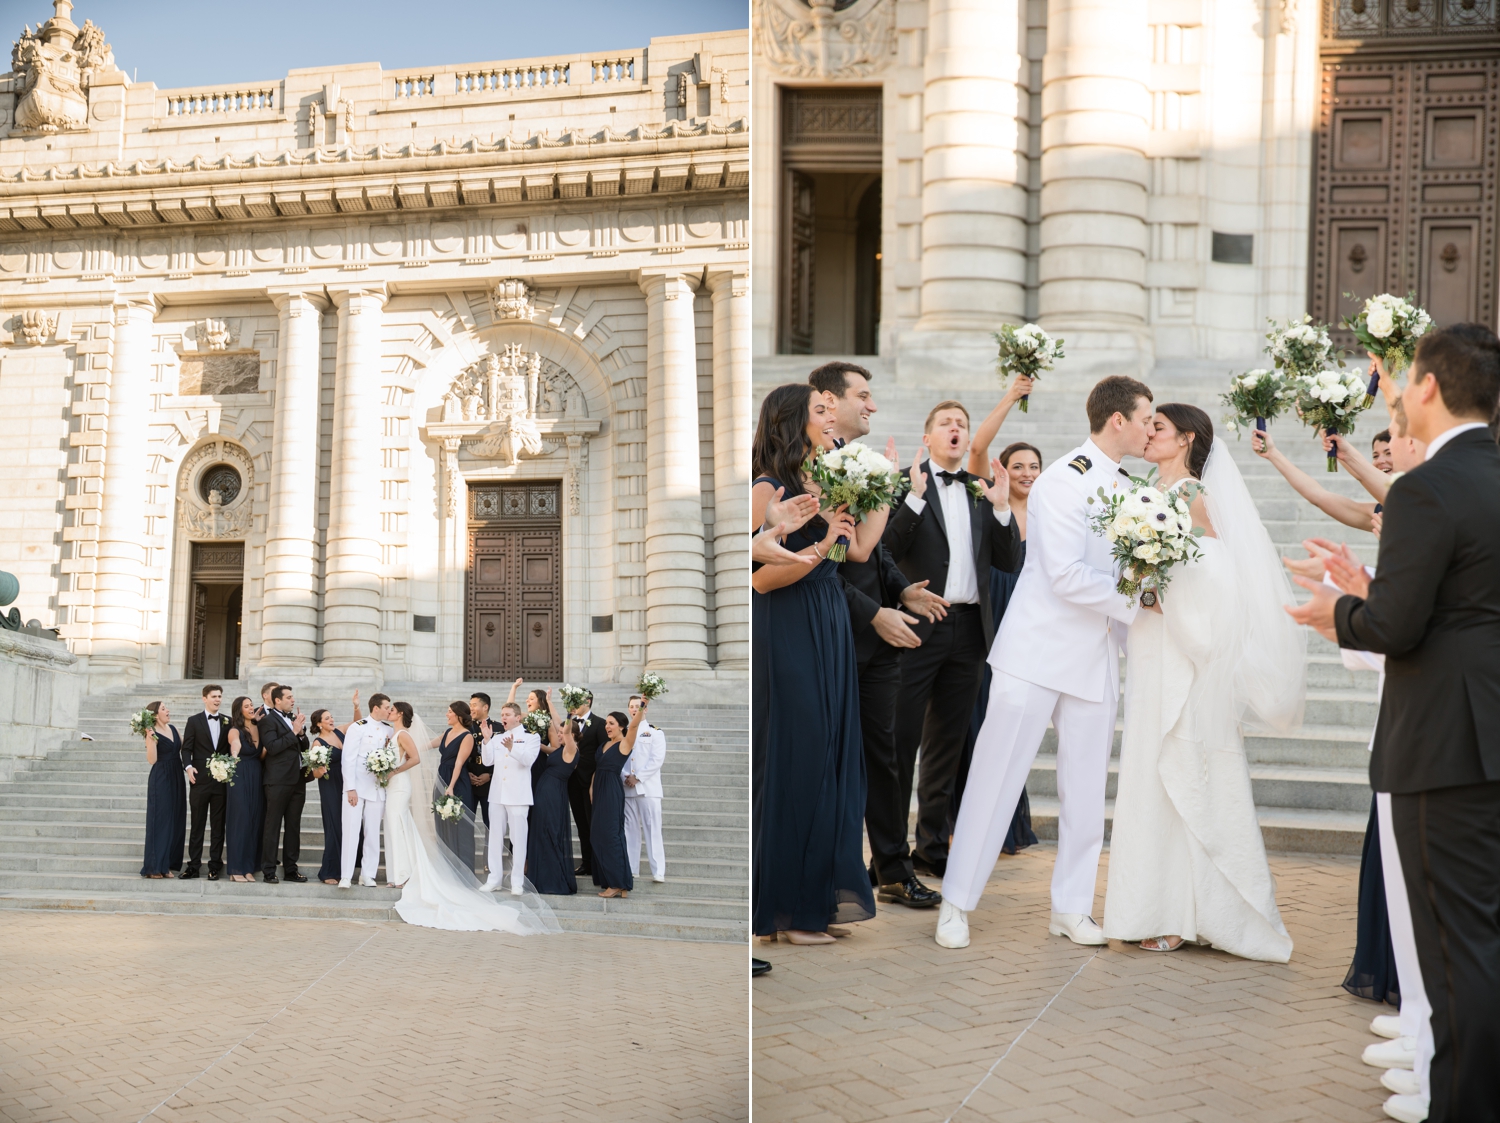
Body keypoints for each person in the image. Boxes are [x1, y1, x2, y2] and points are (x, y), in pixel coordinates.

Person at [1287, 324, 1500, 1123]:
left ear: (1433, 390)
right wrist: (1368, 583)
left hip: (1443, 746)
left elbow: (1397, 628)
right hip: (1488, 730)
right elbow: (1465, 602)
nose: (1400, 390)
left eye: (1407, 378)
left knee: (1455, 954)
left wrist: (1337, 611)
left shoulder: (1424, 488)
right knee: (1482, 938)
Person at [937, 376, 1152, 951]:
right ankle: (955, 903)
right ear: (1116, 421)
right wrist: (1135, 595)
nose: (1150, 428)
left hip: (1094, 658)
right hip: (1036, 651)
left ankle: (1072, 909)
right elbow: (1063, 575)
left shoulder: (1129, 484)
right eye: (1144, 418)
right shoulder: (1064, 479)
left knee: (1085, 794)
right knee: (995, 778)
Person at [1101, 403, 1303, 960]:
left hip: (1181, 652)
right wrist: (1142, 585)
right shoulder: (1146, 493)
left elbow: (1218, 579)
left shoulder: (1191, 497)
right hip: (1150, 647)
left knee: (1185, 770)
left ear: (1186, 438)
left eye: (1158, 428)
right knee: (1150, 770)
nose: (1147, 434)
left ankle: (1190, 913)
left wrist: (1164, 599)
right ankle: (1151, 906)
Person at [811, 360, 947, 910]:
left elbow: (876, 550)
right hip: (831, 635)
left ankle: (891, 867)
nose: (871, 405)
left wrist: (901, 591)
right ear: (828, 400)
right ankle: (828, 879)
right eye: (862, 395)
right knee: (834, 762)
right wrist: (873, 613)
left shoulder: (858, 463)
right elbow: (821, 565)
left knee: (885, 757)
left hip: (880, 637)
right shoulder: (809, 467)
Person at [752, 383, 882, 945]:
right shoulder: (766, 488)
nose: (833, 418)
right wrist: (823, 538)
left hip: (828, 619)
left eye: (833, 409)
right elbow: (759, 577)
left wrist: (881, 491)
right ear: (792, 421)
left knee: (833, 757)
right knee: (799, 759)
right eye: (821, 410)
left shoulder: (827, 478)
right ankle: (788, 913)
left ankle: (819, 899)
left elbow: (856, 553)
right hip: (787, 625)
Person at [882, 400, 1022, 877]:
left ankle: (933, 849)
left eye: (962, 424)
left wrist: (1004, 510)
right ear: (928, 439)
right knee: (900, 743)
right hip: (914, 628)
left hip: (968, 631)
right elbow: (885, 551)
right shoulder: (904, 483)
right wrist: (916, 500)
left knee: (947, 743)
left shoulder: (983, 491)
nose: (956, 430)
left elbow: (1008, 562)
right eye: (946, 424)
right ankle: (889, 856)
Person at [953, 440, 1044, 858]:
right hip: (988, 623)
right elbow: (978, 447)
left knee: (1010, 726)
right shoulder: (989, 506)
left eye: (1034, 466)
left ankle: (1009, 826)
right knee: (975, 723)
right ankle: (963, 824)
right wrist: (1014, 393)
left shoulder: (1049, 515)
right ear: (1001, 471)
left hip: (1026, 629)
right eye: (1019, 466)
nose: (1027, 473)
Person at [1250, 427, 1393, 532]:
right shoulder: (1380, 514)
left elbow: (1362, 474)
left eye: (1389, 453)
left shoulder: (1413, 498)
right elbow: (1318, 496)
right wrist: (1273, 454)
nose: (1380, 461)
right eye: (1375, 456)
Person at [480, 702, 541, 894]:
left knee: (518, 839)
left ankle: (517, 881)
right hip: (497, 793)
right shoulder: (498, 738)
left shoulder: (531, 737)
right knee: (495, 837)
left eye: (507, 714)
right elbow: (488, 761)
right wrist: (487, 740)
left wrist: (512, 748)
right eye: (502, 714)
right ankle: (494, 878)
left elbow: (528, 760)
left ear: (518, 717)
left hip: (518, 795)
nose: (503, 717)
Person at [260, 684, 315, 884]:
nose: (293, 700)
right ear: (277, 700)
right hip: (277, 781)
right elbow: (272, 748)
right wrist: (293, 731)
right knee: (272, 826)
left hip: (297, 781)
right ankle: (269, 871)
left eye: (293, 697)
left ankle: (291, 870)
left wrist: (301, 734)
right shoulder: (267, 721)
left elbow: (303, 746)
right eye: (289, 697)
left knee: (293, 827)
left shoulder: (292, 719)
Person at [340, 694, 393, 889]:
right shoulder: (359, 727)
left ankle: (368, 874)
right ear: (376, 708)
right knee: (351, 831)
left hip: (377, 788)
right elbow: (349, 758)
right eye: (387, 707)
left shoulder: (389, 729)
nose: (390, 710)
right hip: (357, 788)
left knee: (372, 834)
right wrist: (350, 788)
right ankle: (346, 875)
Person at [530, 689, 578, 894]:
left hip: (553, 795)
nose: (559, 734)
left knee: (550, 832)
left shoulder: (571, 750)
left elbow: (565, 729)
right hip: (544, 791)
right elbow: (557, 729)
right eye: (558, 733)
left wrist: (570, 713)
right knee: (541, 832)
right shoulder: (558, 751)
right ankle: (540, 876)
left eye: (563, 733)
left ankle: (552, 879)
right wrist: (549, 702)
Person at [180, 683, 231, 880]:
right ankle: (193, 866)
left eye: (219, 696)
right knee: (197, 824)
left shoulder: (228, 721)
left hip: (221, 782)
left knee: (218, 826)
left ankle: (215, 866)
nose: (217, 699)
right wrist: (188, 767)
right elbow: (186, 749)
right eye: (214, 696)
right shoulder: (193, 721)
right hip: (199, 781)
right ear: (204, 698)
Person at [308, 701, 363, 885]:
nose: (331, 719)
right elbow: (313, 772)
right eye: (327, 718)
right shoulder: (317, 743)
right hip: (330, 786)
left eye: (331, 716)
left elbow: (357, 723)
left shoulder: (340, 731)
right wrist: (319, 771)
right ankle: (330, 871)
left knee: (350, 823)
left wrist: (355, 706)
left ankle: (348, 867)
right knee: (334, 825)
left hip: (347, 783)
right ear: (319, 724)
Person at [591, 710, 642, 898]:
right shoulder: (605, 744)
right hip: (599, 789)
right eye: (606, 723)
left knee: (611, 835)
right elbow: (598, 768)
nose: (607, 726)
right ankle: (620, 883)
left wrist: (642, 706)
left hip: (611, 790)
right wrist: (591, 787)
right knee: (598, 835)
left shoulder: (624, 744)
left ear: (621, 726)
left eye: (611, 723)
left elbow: (634, 726)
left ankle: (617, 883)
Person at [623, 693, 666, 883]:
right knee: (630, 830)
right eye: (631, 706)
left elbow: (656, 760)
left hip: (648, 788)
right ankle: (632, 869)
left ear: (645, 708)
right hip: (627, 788)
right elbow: (621, 759)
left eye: (637, 706)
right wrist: (626, 777)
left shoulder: (655, 732)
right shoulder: (623, 732)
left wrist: (638, 777)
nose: (634, 709)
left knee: (652, 829)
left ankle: (658, 871)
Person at [139, 701, 184, 879]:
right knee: (160, 820)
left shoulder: (173, 729)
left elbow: (184, 747)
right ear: (155, 715)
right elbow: (152, 760)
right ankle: (154, 866)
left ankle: (167, 865)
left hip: (176, 776)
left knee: (175, 819)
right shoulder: (152, 733)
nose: (168, 711)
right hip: (161, 777)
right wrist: (150, 739)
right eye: (164, 709)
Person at [382, 702, 423, 889]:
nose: (388, 712)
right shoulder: (393, 735)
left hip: (399, 786)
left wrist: (395, 771)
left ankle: (403, 875)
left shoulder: (403, 734)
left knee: (398, 827)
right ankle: (394, 875)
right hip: (391, 786)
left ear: (399, 714)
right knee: (392, 829)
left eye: (391, 710)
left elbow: (415, 758)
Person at [566, 689, 607, 878]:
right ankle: (586, 863)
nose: (574, 703)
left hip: (590, 783)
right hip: (572, 782)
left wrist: (594, 781)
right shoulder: (569, 723)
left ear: (588, 701)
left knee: (593, 824)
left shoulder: (600, 724)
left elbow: (603, 755)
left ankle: (599, 864)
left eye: (578, 700)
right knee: (581, 825)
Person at [224, 696, 265, 883]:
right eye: (246, 706)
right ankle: (236, 868)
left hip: (257, 775)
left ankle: (250, 867)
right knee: (240, 820)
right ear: (239, 711)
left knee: (254, 820)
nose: (250, 708)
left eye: (251, 705)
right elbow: (235, 743)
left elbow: (262, 754)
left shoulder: (259, 727)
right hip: (239, 774)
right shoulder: (235, 730)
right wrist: (234, 754)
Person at [432, 700, 477, 872]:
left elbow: (459, 763)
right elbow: (430, 744)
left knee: (460, 828)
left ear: (458, 715)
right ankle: (445, 869)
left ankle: (463, 871)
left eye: (449, 711)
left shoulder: (467, 736)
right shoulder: (448, 732)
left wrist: (450, 787)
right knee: (442, 823)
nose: (446, 714)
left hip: (457, 782)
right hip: (442, 776)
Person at [467, 690, 496, 829]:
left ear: (485, 707)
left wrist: (490, 774)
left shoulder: (498, 728)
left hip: (490, 782)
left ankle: (490, 851)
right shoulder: (465, 727)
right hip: (469, 779)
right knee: (466, 822)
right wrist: (467, 773)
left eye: (474, 705)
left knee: (490, 823)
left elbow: (502, 757)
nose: (471, 708)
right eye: (470, 705)